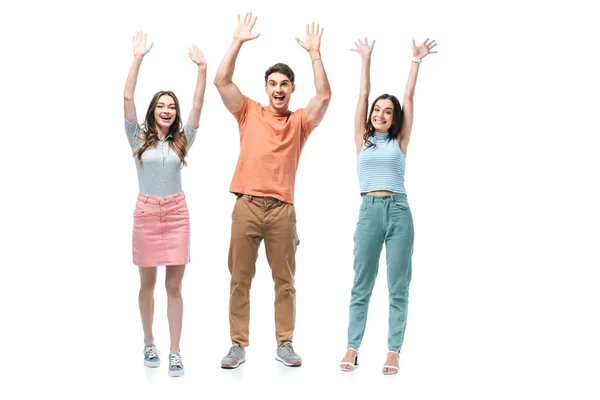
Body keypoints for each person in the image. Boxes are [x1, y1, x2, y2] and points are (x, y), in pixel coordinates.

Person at [213, 13, 331, 369]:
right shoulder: (248, 111)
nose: (278, 89)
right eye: (273, 83)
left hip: (282, 210)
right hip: (246, 205)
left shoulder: (299, 122)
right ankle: (238, 345)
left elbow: (324, 96)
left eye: (285, 84)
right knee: (240, 279)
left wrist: (314, 53)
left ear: (292, 89)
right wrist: (237, 41)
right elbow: (221, 81)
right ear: (266, 88)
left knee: (285, 281)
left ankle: (285, 343)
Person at [339, 37, 437, 375]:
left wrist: (416, 61)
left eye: (387, 111)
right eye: (377, 111)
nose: (380, 114)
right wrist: (366, 60)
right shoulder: (360, 138)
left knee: (398, 284)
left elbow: (408, 97)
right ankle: (352, 347)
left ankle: (393, 351)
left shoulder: (400, 140)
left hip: (398, 211)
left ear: (394, 119)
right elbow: (363, 95)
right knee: (361, 283)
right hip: (368, 211)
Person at [123, 31, 207, 377]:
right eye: (162, 106)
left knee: (175, 286)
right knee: (148, 284)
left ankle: (175, 351)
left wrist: (203, 68)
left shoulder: (182, 140)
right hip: (146, 212)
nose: (168, 111)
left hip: (176, 213)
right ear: (153, 110)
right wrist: (138, 57)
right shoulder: (138, 138)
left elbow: (199, 107)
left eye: (171, 107)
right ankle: (148, 342)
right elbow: (127, 95)